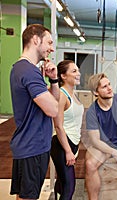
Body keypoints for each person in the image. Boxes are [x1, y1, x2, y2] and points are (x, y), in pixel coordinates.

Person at [9, 24, 60, 200]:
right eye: (49, 42)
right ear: (36, 40)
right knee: (28, 197)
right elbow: (53, 109)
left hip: (30, 145)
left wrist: (53, 80)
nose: (51, 48)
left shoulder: (22, 68)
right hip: (33, 146)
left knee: (24, 195)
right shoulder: (29, 71)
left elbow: (53, 102)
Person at [50, 60, 84, 200]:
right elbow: (58, 125)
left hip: (72, 144)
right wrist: (68, 151)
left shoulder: (74, 94)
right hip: (62, 145)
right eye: (74, 71)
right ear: (63, 76)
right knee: (70, 187)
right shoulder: (62, 95)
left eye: (78, 70)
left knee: (63, 183)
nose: (78, 74)